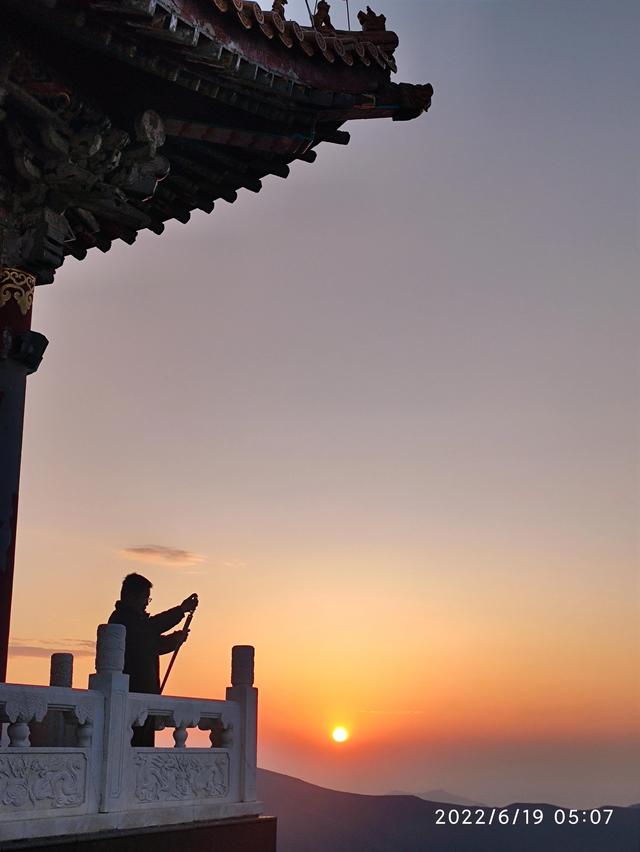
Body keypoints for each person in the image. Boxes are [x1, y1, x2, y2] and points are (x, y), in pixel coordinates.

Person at [108, 572, 198, 745]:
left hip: (144, 699)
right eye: (145, 598)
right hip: (131, 699)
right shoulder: (122, 620)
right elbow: (150, 632)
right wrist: (180, 611)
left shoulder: (136, 622)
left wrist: (175, 640)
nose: (146, 603)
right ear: (131, 597)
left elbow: (152, 643)